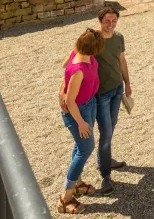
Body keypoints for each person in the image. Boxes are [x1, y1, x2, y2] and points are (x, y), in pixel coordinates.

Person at [61, 7, 131, 195]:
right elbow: (69, 65)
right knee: (106, 132)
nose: (110, 24)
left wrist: (127, 83)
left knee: (110, 129)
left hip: (117, 89)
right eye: (107, 21)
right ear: (100, 21)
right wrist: (63, 92)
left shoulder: (119, 38)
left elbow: (121, 61)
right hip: (100, 95)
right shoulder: (92, 39)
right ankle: (106, 176)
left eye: (114, 20)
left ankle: (103, 161)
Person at [56, 29, 104, 214]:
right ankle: (64, 198)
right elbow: (70, 101)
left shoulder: (81, 53)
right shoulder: (79, 70)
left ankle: (76, 183)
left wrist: (62, 90)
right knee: (86, 148)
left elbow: (63, 70)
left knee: (80, 146)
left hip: (89, 104)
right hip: (78, 111)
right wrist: (81, 123)